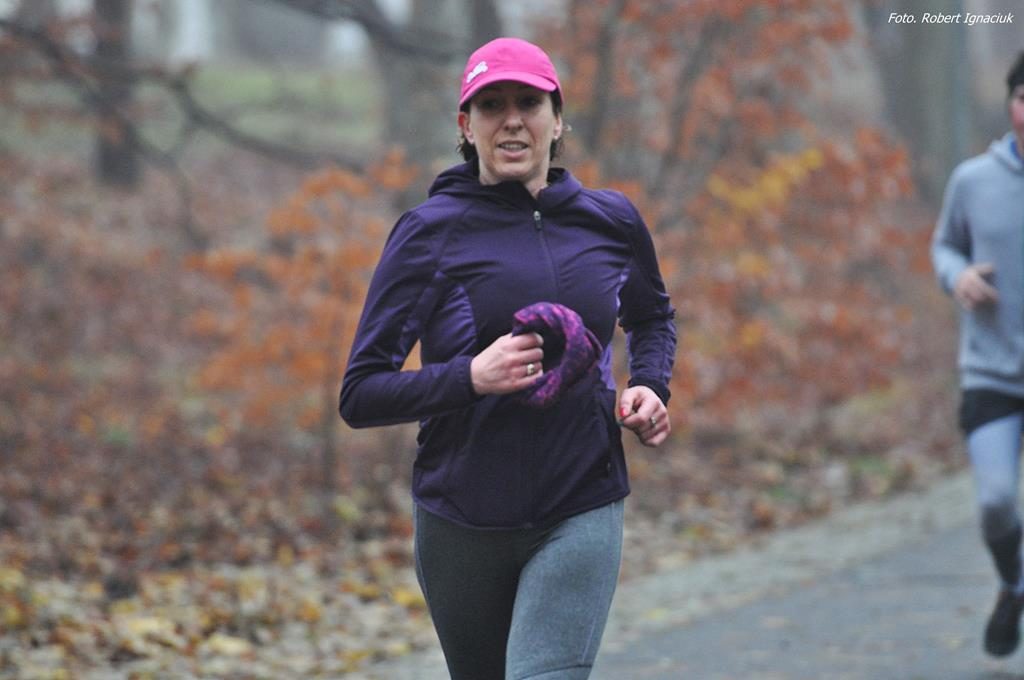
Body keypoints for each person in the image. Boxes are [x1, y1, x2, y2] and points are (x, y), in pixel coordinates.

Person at [339, 36, 677, 679]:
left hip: (582, 500)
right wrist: (470, 377)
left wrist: (651, 385)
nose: (512, 120)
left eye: (529, 102)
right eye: (492, 105)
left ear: (558, 119)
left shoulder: (610, 221)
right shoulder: (429, 233)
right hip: (461, 519)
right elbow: (360, 394)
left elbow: (652, 315)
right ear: (467, 126)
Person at [932, 51, 1024, 658]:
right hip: (992, 371)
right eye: (1023, 99)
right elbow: (944, 246)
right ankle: (1015, 584)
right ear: (1011, 104)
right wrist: (958, 275)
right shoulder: (973, 180)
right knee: (995, 504)